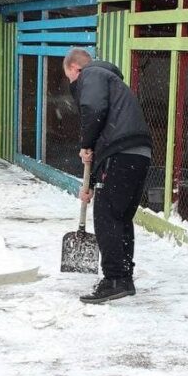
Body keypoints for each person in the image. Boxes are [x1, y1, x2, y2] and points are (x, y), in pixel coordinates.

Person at [64, 47, 153, 304]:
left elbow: (93, 109)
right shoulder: (112, 83)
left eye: (70, 78)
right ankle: (123, 277)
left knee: (106, 216)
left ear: (74, 69)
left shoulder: (91, 74)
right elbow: (105, 128)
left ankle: (114, 279)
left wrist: (85, 142)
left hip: (121, 154)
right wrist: (91, 184)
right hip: (137, 154)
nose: (73, 85)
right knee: (121, 216)